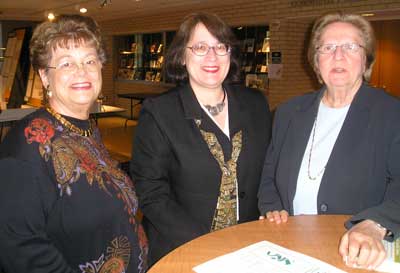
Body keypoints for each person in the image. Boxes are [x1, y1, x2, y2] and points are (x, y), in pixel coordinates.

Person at [0, 15, 148, 273]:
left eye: (90, 60)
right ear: (45, 77)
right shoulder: (27, 146)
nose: (82, 71)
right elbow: (20, 252)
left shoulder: (85, 129)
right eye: (66, 63)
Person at [258, 11, 400, 270]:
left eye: (350, 46)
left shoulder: (392, 114)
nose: (338, 55)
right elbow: (269, 173)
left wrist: (375, 224)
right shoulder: (288, 112)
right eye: (328, 47)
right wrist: (273, 207)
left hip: (358, 254)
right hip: (291, 244)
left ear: (366, 58)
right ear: (316, 60)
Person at [130, 12, 271, 265]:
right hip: (183, 248)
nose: (212, 56)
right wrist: (208, 243)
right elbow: (151, 194)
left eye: (220, 46)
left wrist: (273, 207)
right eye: (200, 47)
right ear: (182, 56)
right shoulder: (159, 113)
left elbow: (270, 169)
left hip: (248, 247)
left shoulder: (256, 104)